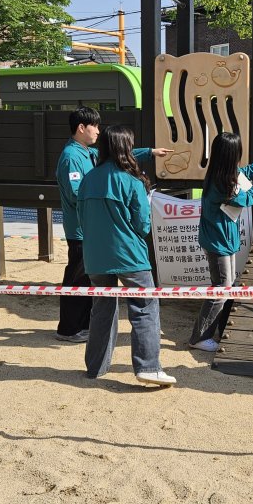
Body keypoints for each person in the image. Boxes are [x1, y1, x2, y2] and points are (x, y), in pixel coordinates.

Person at [55, 107, 170, 343]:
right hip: (81, 230)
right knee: (77, 280)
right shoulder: (71, 157)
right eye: (95, 126)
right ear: (81, 128)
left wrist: (149, 152)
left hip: (92, 229)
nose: (98, 131)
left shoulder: (88, 152)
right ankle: (69, 329)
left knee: (89, 282)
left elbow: (118, 151)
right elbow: (77, 194)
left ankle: (82, 326)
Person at [77, 124, 176, 386]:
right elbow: (143, 225)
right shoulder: (132, 181)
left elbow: (80, 217)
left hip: (95, 256)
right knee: (145, 307)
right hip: (130, 255)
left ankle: (96, 366)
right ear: (126, 148)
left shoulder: (88, 179)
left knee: (102, 309)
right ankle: (148, 366)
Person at [189, 132, 253, 352]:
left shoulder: (225, 172)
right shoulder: (221, 182)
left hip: (223, 239)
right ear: (232, 155)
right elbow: (247, 198)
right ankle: (199, 337)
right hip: (217, 242)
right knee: (221, 289)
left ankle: (213, 330)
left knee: (226, 286)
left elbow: (244, 174)